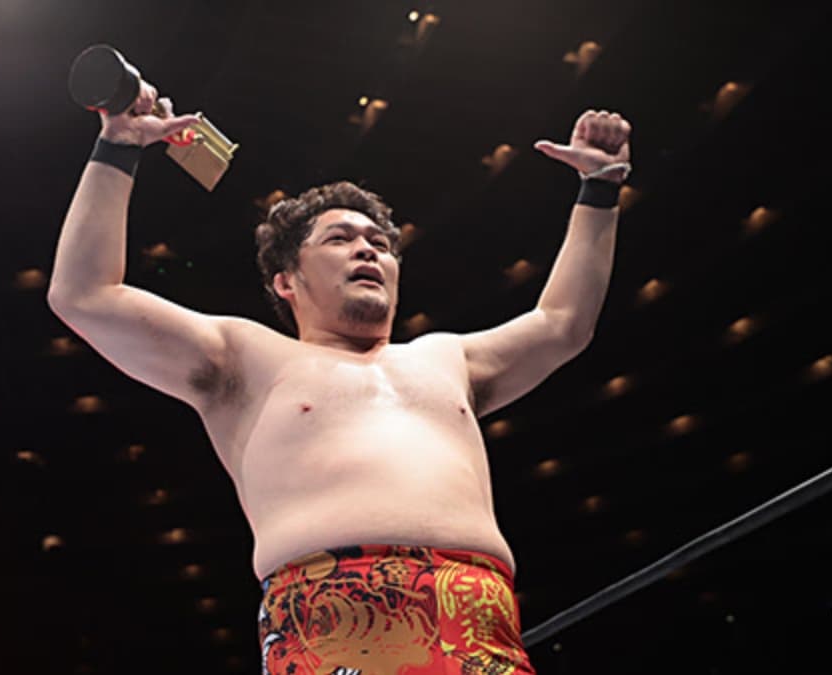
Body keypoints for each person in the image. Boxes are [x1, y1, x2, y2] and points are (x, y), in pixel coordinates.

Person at [48, 78, 632, 675]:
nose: (368, 251)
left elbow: (563, 323)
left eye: (380, 243)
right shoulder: (243, 359)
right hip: (327, 625)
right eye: (340, 238)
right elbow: (85, 295)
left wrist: (600, 187)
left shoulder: (449, 360)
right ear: (285, 280)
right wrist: (118, 146)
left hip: (478, 624)